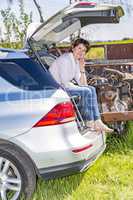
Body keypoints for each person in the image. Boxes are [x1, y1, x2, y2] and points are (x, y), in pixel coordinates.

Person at [49, 38, 113, 133]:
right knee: (87, 91)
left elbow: (83, 84)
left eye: (84, 50)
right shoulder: (66, 59)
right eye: (79, 48)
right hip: (56, 89)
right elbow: (64, 82)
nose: (81, 52)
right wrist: (78, 86)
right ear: (73, 48)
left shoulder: (75, 61)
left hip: (64, 86)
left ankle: (97, 121)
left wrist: (82, 68)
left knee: (91, 88)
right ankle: (89, 121)